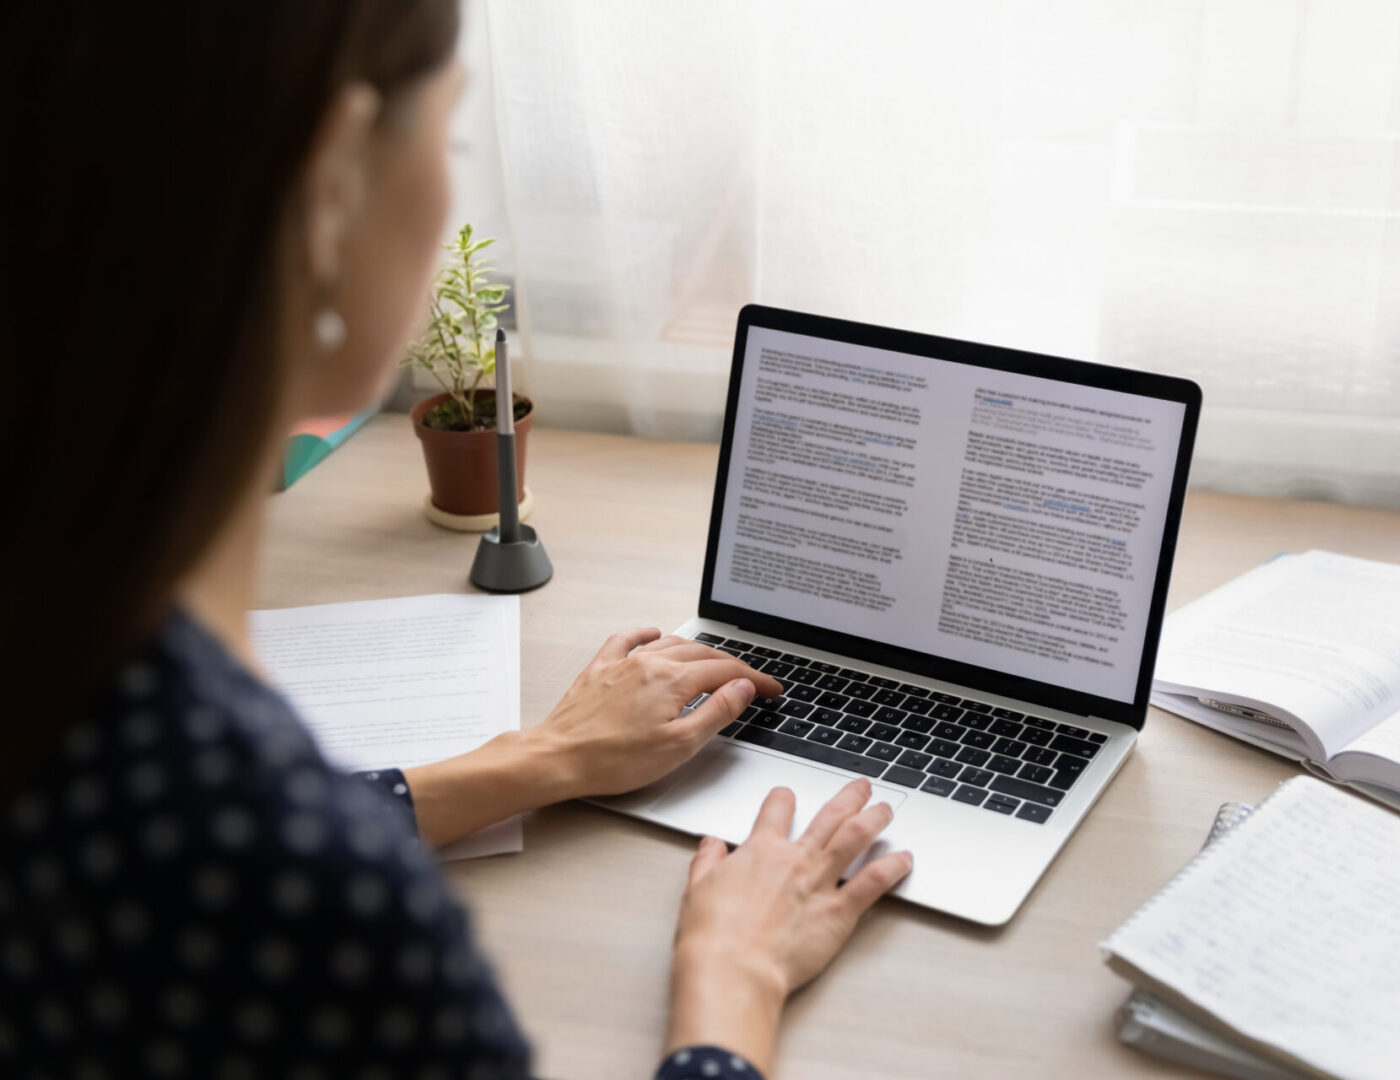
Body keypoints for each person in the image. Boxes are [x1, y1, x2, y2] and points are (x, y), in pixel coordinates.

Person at [0, 2, 913, 1077]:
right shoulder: (319, 910)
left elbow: (180, 850)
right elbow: (247, 855)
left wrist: (544, 757)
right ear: (332, 189)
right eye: (453, 141)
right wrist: (735, 982)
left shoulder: (80, 672)